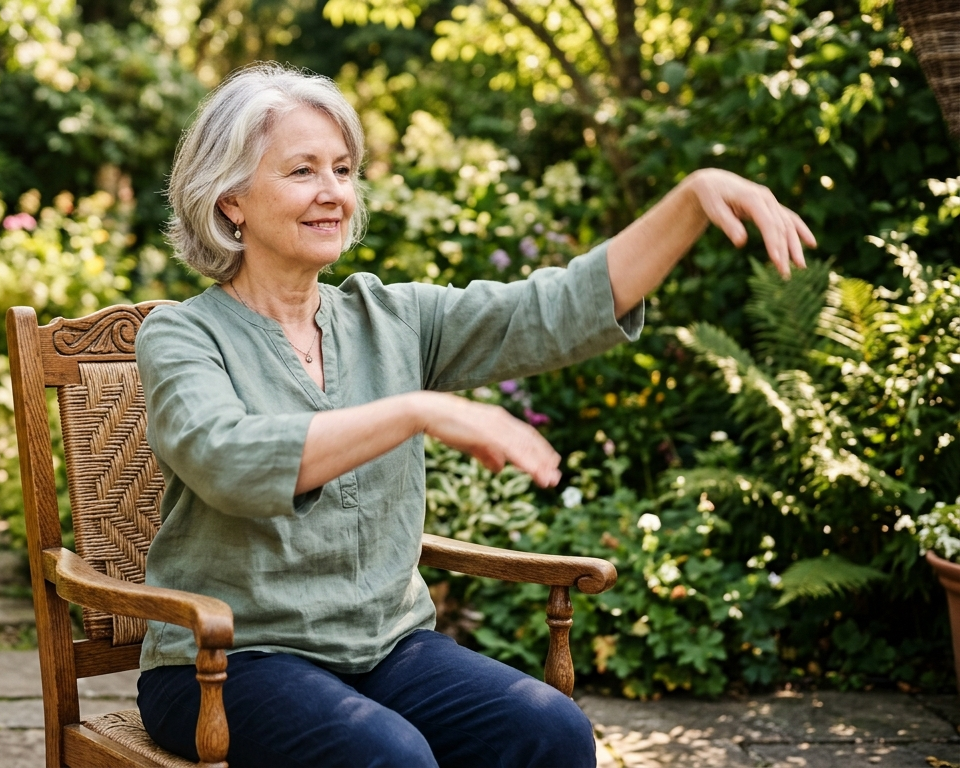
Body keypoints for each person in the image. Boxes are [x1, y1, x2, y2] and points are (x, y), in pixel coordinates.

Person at [133, 62, 813, 768]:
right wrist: (417, 410)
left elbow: (554, 310)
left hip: (383, 647)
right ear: (232, 199)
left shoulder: (391, 317)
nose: (333, 192)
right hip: (224, 663)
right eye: (302, 171)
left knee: (550, 731)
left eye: (343, 168)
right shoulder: (184, 334)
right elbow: (229, 460)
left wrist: (694, 199)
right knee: (388, 757)